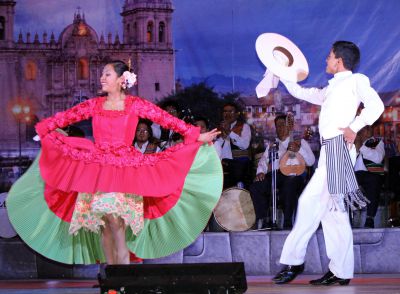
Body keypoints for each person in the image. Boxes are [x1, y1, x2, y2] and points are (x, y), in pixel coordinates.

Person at [6, 60, 222, 265]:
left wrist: (194, 135)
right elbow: (66, 117)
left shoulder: (135, 105)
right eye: (102, 74)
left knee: (116, 222)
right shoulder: (94, 105)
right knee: (106, 226)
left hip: (125, 171)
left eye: (107, 74)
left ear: (121, 79)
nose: (101, 78)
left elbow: (166, 119)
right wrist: (45, 127)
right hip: (98, 170)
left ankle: (121, 276)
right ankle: (111, 275)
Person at [272, 41, 384, 286]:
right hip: (330, 151)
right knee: (334, 213)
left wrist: (354, 127)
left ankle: (295, 261)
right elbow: (301, 92)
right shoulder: (331, 89)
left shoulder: (356, 81)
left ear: (339, 60)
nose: (326, 60)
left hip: (339, 150)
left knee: (311, 202)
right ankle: (340, 271)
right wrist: (281, 72)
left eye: (329, 56)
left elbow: (377, 105)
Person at [249, 114, 315, 230]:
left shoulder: (300, 142)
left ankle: (288, 222)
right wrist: (260, 172)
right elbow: (263, 161)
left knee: (289, 183)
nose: (279, 128)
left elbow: (311, 161)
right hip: (276, 175)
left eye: (282, 125)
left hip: (294, 176)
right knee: (256, 187)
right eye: (277, 125)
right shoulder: (273, 145)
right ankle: (264, 220)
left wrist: (299, 149)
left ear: (289, 126)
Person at [215, 102, 252, 188]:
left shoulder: (244, 126)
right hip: (222, 164)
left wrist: (229, 132)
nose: (227, 114)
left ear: (236, 114)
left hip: (239, 165)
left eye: (230, 111)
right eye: (225, 111)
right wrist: (223, 136)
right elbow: (214, 148)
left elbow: (245, 145)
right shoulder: (218, 129)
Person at [354, 125, 385, 228]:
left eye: (368, 128)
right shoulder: (352, 142)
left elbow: (378, 158)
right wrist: (355, 148)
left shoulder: (377, 142)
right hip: (354, 174)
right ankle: (350, 216)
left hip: (371, 174)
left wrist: (362, 148)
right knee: (345, 181)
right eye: (363, 129)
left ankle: (369, 218)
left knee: (373, 180)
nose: (366, 131)